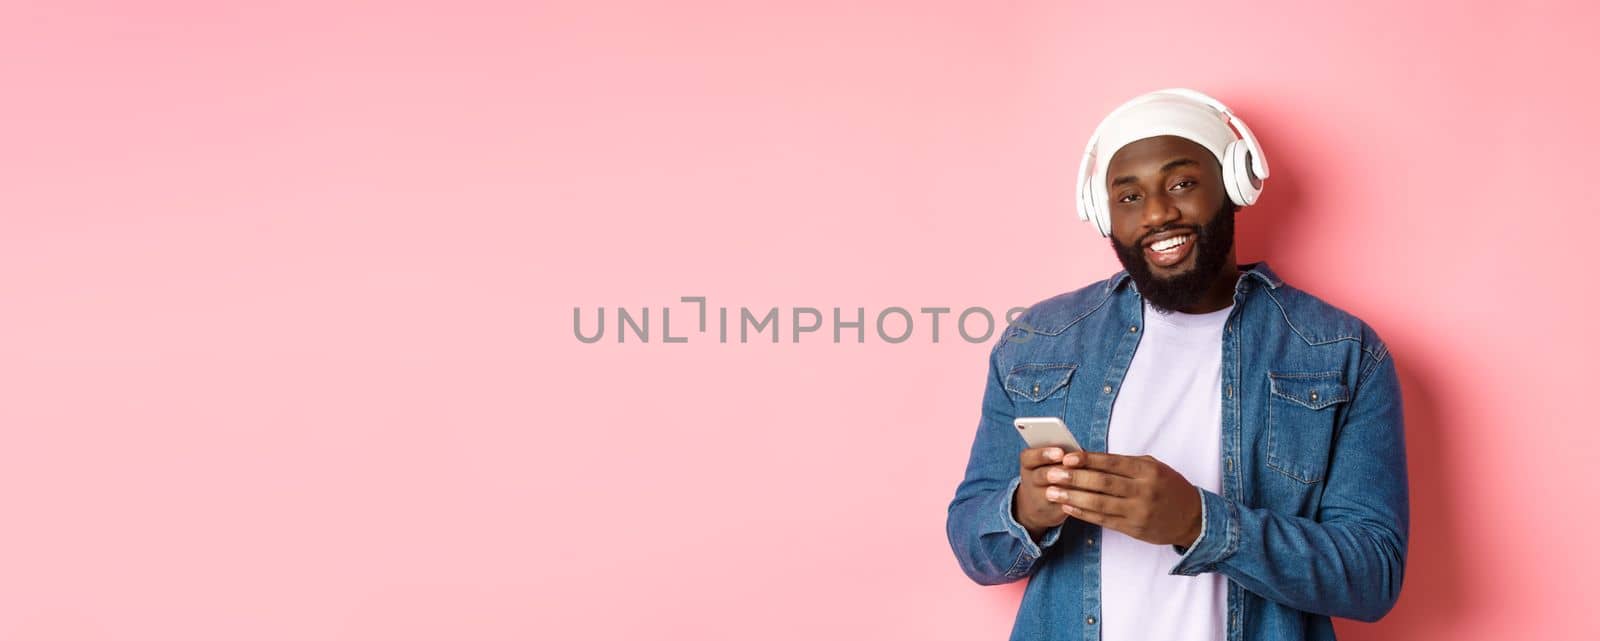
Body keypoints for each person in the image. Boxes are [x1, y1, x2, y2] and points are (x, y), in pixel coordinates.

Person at [944, 88, 1407, 641]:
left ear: (1234, 187)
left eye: (1182, 184)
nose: (1159, 213)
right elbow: (975, 547)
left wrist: (1198, 522)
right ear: (1103, 214)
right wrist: (1026, 511)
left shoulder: (1340, 351)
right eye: (1130, 197)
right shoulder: (1039, 343)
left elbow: (1372, 577)